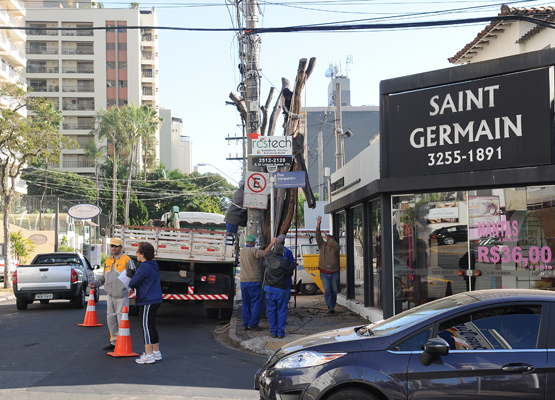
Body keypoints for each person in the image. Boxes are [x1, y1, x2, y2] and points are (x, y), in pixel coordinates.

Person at [89, 238, 136, 351]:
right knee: (111, 319)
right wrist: (95, 283)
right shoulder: (108, 261)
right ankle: (114, 342)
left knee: (122, 319)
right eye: (112, 246)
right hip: (110, 295)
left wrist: (132, 286)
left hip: (121, 295)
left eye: (116, 246)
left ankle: (123, 342)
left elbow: (134, 275)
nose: (114, 248)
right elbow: (104, 277)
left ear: (121, 247)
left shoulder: (127, 260)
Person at [129, 242, 163, 365]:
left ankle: (149, 355)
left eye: (137, 252)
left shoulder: (144, 266)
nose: (136, 254)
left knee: (146, 327)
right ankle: (156, 353)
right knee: (152, 326)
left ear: (143, 254)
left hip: (147, 299)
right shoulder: (153, 265)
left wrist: (132, 284)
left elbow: (134, 281)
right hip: (155, 298)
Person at [240, 234, 275, 330]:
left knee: (246, 303)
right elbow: (265, 253)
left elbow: (254, 253)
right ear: (254, 242)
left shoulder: (242, 251)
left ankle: (245, 324)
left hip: (243, 282)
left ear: (246, 242)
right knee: (257, 303)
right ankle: (253, 324)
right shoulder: (254, 251)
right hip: (254, 281)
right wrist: (272, 242)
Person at [263, 244, 294, 339]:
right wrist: (292, 266)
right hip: (280, 289)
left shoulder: (267, 258)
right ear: (281, 252)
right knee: (281, 311)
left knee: (271, 311)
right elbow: (289, 274)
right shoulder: (284, 261)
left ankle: (273, 331)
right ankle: (280, 332)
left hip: (269, 289)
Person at [316, 216, 340, 314]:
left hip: (334, 272)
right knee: (327, 290)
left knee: (334, 291)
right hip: (324, 272)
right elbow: (318, 237)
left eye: (330, 240)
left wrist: (329, 239)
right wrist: (318, 225)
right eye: (327, 240)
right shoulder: (322, 246)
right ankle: (330, 307)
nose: (328, 241)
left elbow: (337, 246)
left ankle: (332, 305)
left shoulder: (335, 248)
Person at [274, 234, 296, 300]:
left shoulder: (271, 253)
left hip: (274, 281)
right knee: (285, 299)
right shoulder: (288, 252)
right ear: (284, 242)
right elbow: (291, 265)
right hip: (285, 280)